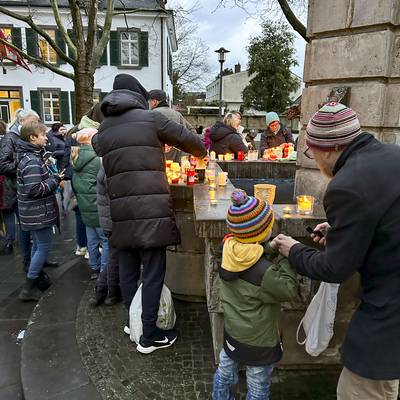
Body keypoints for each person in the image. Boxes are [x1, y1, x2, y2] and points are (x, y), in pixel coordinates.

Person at [272, 102, 400, 400]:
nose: (313, 159)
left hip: (389, 316)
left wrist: (292, 250)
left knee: (357, 390)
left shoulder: (345, 186)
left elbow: (335, 269)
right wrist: (342, 231)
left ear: (328, 149)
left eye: (311, 152)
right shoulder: (392, 155)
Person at [92, 74, 207, 354]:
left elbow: (97, 147)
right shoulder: (150, 119)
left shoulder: (104, 129)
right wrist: (200, 152)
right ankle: (149, 334)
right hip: (151, 209)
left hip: (121, 210)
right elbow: (192, 143)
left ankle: (134, 324)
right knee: (154, 271)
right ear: (139, 97)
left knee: (129, 268)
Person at [213, 189, 298, 400]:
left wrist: (267, 248)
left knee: (224, 372)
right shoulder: (265, 272)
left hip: (233, 332)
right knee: (258, 384)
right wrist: (287, 257)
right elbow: (288, 289)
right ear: (263, 232)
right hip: (259, 342)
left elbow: (248, 254)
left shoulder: (225, 250)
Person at [16, 121, 63, 301]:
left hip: (34, 212)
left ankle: (34, 281)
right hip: (37, 212)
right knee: (42, 247)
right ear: (32, 137)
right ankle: (28, 288)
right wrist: (55, 180)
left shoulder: (31, 157)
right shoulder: (32, 161)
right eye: (43, 135)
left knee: (37, 246)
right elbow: (34, 189)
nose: (46, 137)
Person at [0, 109, 40, 262]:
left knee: (29, 225)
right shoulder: (10, 138)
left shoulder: (21, 136)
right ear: (22, 122)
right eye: (34, 121)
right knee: (24, 225)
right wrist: (23, 166)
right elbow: (2, 165)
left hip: (22, 186)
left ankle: (34, 256)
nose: (37, 125)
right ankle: (27, 258)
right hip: (14, 188)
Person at [71, 123, 108, 281]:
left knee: (91, 240)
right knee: (106, 240)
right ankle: (105, 270)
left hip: (84, 206)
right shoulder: (98, 159)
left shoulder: (75, 156)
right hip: (98, 205)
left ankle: (95, 267)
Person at [148, 89, 197, 162]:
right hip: (175, 161)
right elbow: (192, 132)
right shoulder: (177, 114)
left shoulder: (150, 115)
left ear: (155, 102)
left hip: (156, 160)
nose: (148, 104)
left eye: (149, 101)